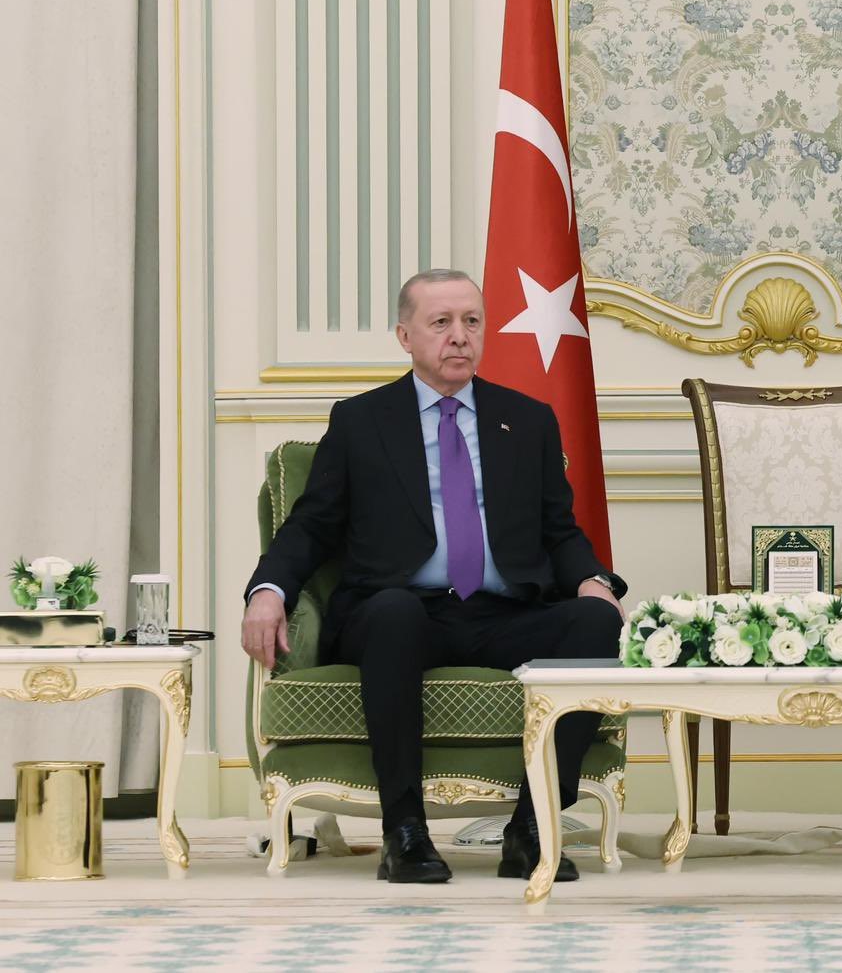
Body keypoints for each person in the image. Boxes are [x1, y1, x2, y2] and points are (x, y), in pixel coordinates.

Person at [242, 269, 626, 885]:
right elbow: (311, 525)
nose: (459, 337)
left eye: (471, 321)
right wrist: (268, 592)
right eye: (441, 323)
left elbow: (559, 531)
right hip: (399, 612)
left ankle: (532, 830)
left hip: (502, 614)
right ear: (406, 336)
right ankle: (405, 833)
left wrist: (593, 581)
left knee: (595, 621)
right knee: (395, 613)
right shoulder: (362, 420)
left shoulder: (527, 419)